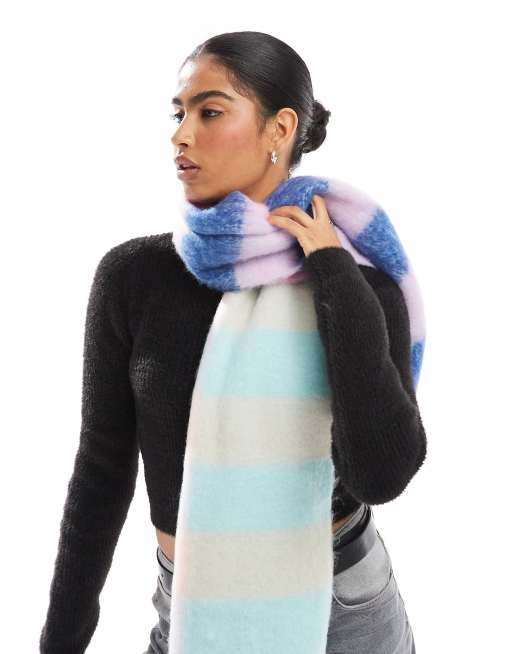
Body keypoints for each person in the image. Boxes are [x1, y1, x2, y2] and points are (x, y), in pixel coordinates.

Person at [40, 31, 426, 654]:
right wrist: (61, 637)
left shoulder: (357, 283)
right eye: (179, 113)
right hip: (189, 602)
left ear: (280, 129)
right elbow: (102, 467)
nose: (181, 135)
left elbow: (381, 474)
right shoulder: (136, 278)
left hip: (341, 604)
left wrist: (333, 275)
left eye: (210, 112)